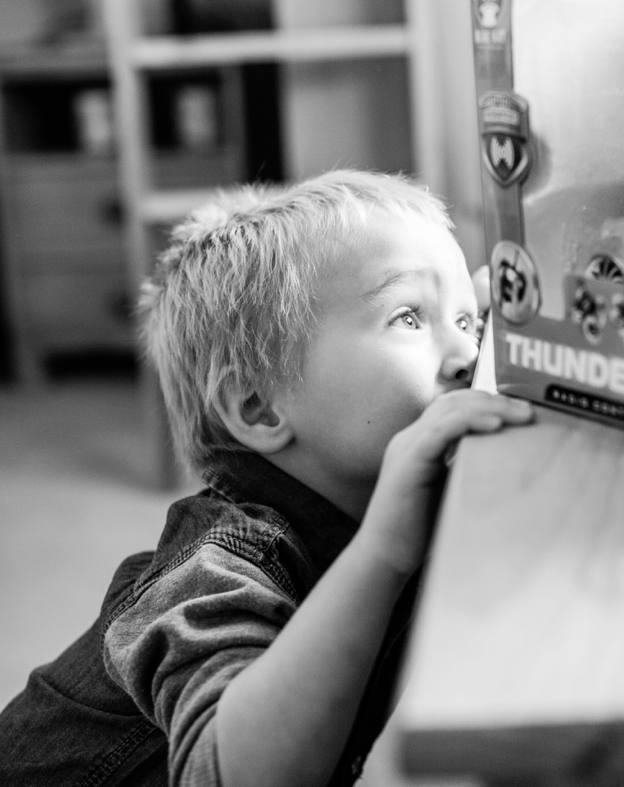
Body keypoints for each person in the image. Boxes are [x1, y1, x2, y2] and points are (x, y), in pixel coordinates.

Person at [0, 169, 533, 785]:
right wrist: (382, 551)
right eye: (410, 317)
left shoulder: (388, 478)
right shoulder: (213, 571)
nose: (469, 355)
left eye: (467, 323)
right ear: (259, 408)